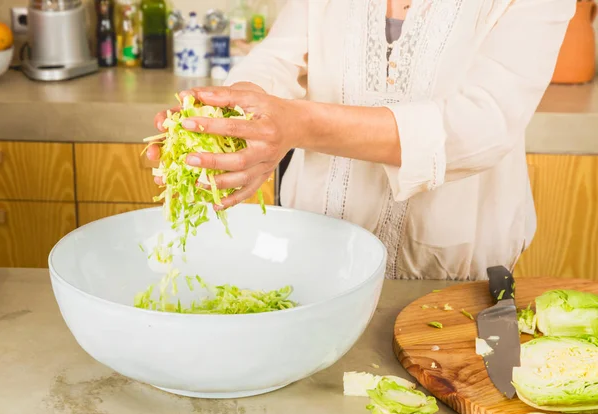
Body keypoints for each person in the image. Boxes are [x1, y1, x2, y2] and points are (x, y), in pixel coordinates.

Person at [147, 0, 575, 280]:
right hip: (315, 263)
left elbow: (482, 125)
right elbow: (276, 59)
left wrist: (298, 124)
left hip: (456, 280)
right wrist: (228, 117)